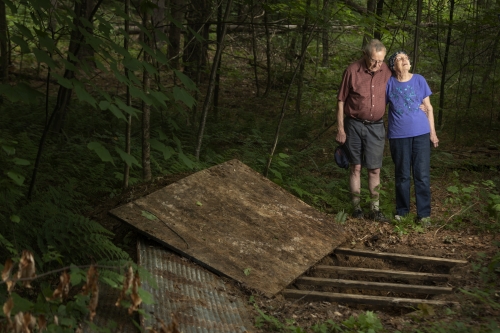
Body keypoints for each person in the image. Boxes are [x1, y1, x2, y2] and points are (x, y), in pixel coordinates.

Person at [336, 39, 391, 222]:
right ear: (365, 55)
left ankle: (375, 209)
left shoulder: (386, 71)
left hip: (376, 126)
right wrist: (341, 129)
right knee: (356, 167)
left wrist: (421, 106)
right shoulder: (352, 71)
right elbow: (341, 100)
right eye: (374, 60)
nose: (378, 64)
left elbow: (400, 91)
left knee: (374, 169)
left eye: (381, 60)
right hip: (354, 124)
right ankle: (357, 207)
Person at [386, 51, 439, 225]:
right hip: (398, 135)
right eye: (400, 59)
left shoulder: (419, 80)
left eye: (406, 57)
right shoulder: (389, 83)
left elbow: (429, 108)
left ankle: (424, 215)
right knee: (402, 175)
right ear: (393, 66)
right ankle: (402, 212)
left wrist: (433, 133)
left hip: (421, 133)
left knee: (422, 175)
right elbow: (379, 105)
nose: (405, 60)